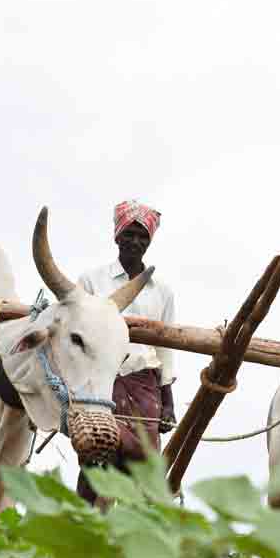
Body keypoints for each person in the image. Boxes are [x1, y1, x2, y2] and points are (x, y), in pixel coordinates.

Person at [75, 200, 176, 504]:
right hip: (102, 383)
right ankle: (82, 528)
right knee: (96, 456)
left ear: (150, 241)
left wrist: (167, 401)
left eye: (142, 236)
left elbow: (165, 347)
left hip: (144, 383)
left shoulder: (162, 291)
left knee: (143, 465)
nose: (135, 242)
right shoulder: (92, 280)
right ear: (116, 236)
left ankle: (133, 536)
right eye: (129, 234)